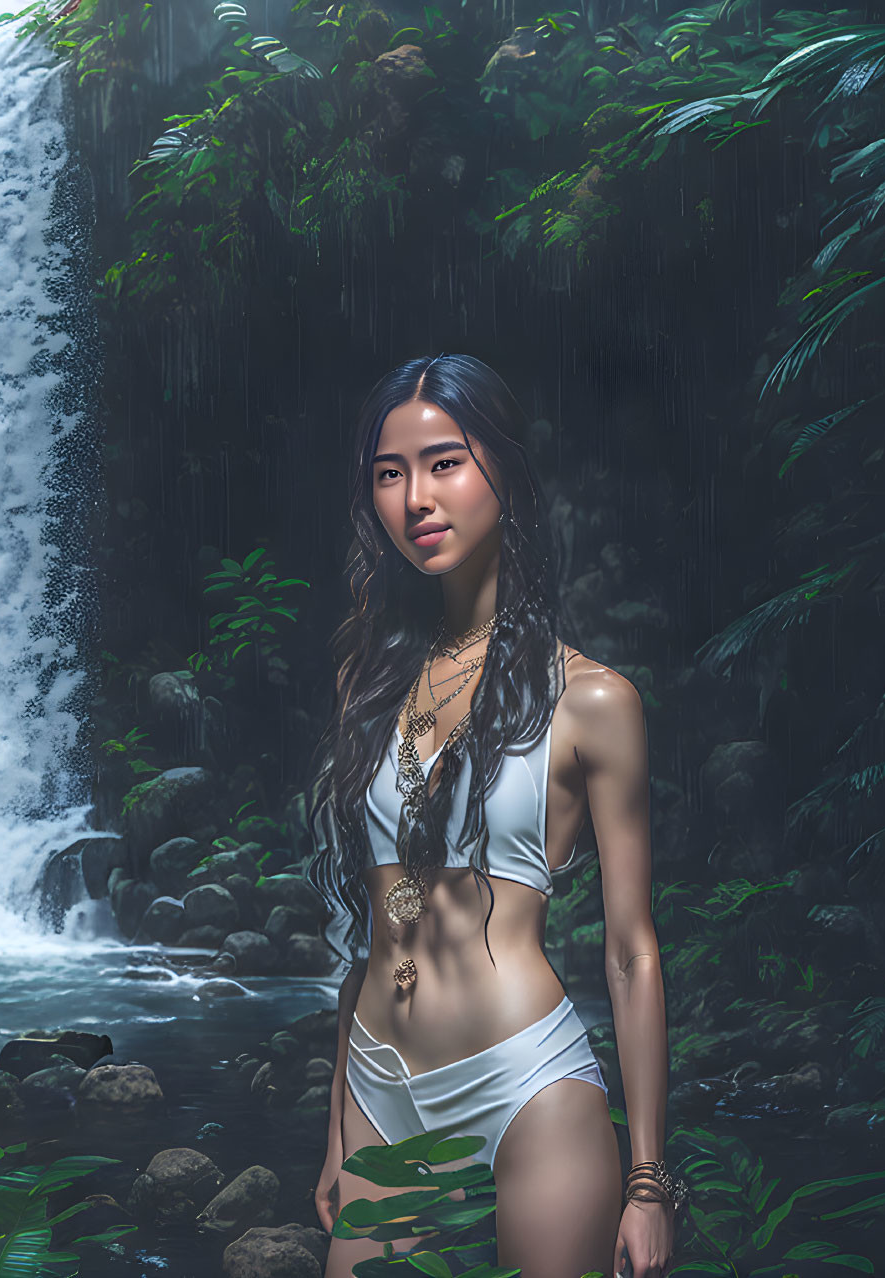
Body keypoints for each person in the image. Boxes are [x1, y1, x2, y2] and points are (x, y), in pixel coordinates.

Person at [303, 356, 682, 1278]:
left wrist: (646, 1183)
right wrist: (336, 1121)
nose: (415, 499)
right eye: (389, 475)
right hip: (377, 1081)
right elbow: (368, 929)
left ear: (502, 476)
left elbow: (630, 949)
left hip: (523, 1081)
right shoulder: (372, 678)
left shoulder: (592, 700)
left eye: (444, 463)